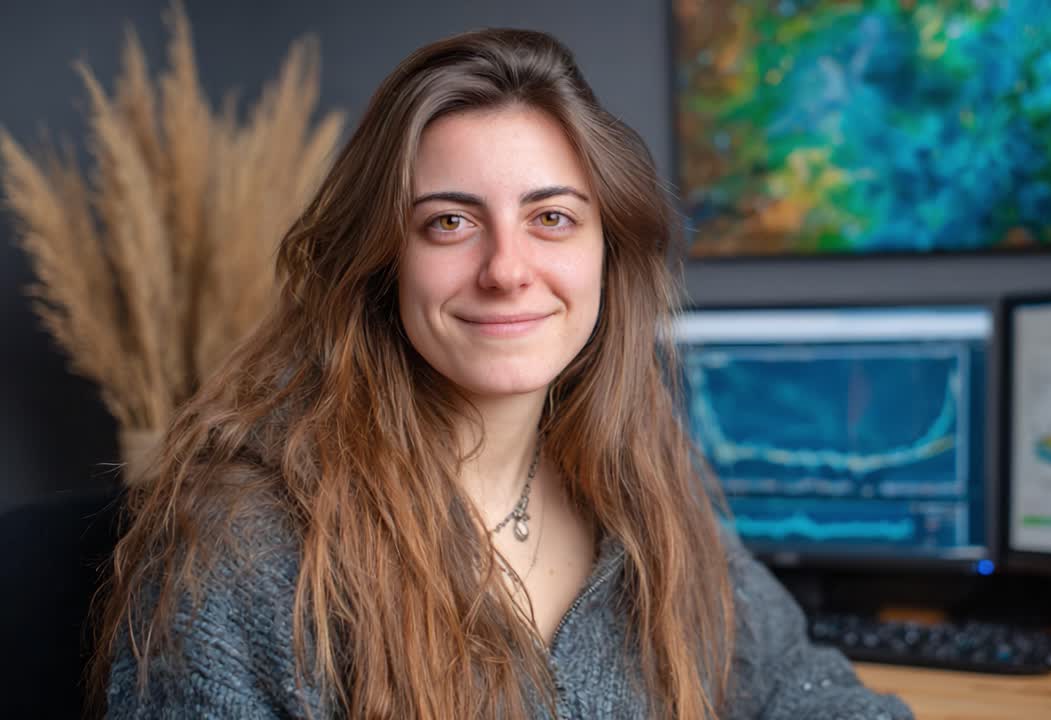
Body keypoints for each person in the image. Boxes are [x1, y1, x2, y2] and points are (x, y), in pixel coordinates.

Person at [95, 28, 914, 720]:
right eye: (450, 222)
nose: (507, 270)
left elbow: (800, 686)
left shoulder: (641, 481)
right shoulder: (252, 548)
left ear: (607, 252)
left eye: (551, 217)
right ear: (381, 261)